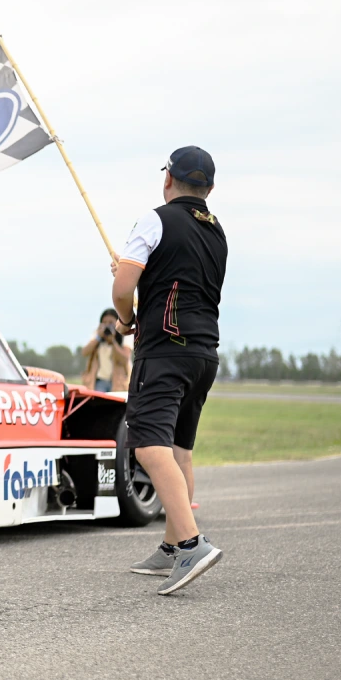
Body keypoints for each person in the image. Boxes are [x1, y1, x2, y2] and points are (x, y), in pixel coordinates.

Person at [110, 145, 227, 595]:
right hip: (204, 353)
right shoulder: (218, 231)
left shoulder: (154, 219)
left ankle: (192, 544)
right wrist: (139, 277)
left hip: (163, 350)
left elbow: (124, 289)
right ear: (209, 189)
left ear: (167, 180)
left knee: (147, 446)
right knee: (180, 448)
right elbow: (175, 278)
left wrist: (125, 317)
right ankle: (171, 545)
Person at [80, 308, 132, 392]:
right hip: (100, 381)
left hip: (118, 381)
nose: (107, 325)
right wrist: (98, 338)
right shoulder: (96, 335)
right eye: (104, 323)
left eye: (111, 323)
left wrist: (113, 342)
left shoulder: (125, 335)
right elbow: (85, 352)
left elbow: (125, 358)